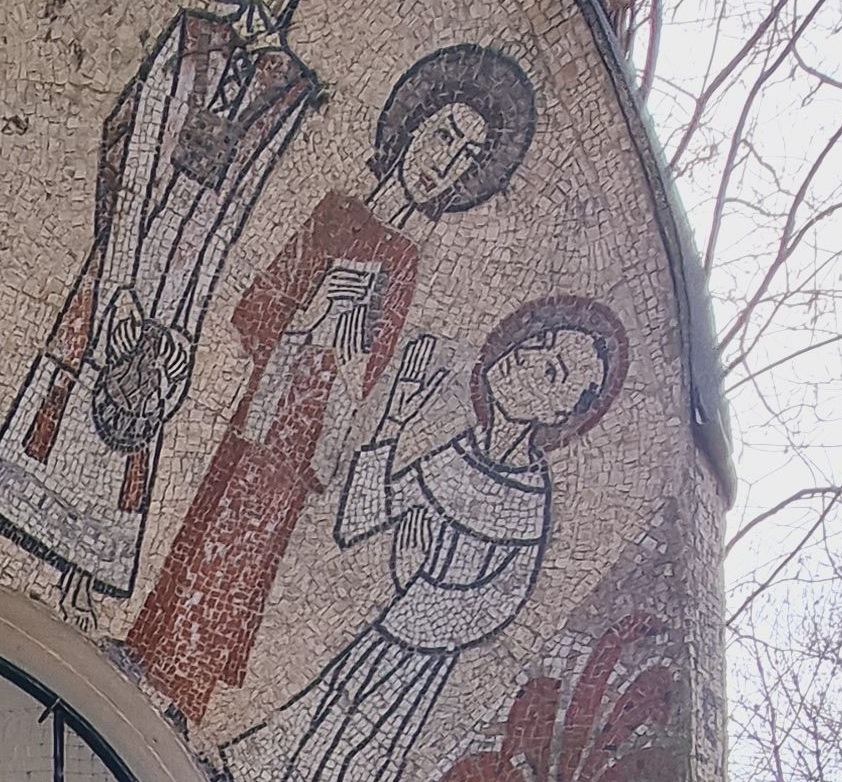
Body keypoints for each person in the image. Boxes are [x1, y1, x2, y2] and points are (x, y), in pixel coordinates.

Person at [0, 0, 375, 611]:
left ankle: (83, 579)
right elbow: (136, 154)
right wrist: (119, 287)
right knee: (69, 367)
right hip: (128, 247)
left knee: (143, 398)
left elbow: (233, 213)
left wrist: (177, 316)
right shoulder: (190, 36)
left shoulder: (291, 85)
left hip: (183, 270)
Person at [124, 44, 538, 730]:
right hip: (264, 404)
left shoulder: (403, 262)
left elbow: (370, 373)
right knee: (210, 522)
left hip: (311, 434)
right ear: (412, 127)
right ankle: (147, 645)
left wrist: (346, 351)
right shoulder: (337, 211)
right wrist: (309, 317)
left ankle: (188, 690)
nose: (445, 161)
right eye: (444, 137)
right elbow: (256, 307)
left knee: (251, 552)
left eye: (465, 157)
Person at [228, 293, 630, 782]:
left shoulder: (528, 496)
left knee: (364, 752)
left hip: (422, 653)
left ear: (559, 412)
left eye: (551, 371)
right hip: (393, 631)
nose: (528, 359)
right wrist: (390, 421)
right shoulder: (456, 455)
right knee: (326, 726)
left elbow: (500, 601)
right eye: (538, 345)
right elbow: (361, 518)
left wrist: (429, 605)